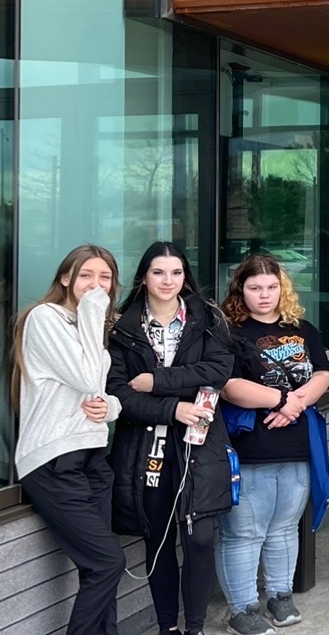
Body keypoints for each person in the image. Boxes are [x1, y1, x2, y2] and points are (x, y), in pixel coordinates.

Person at [107, 242, 234, 635]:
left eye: (176, 272)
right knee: (158, 541)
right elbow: (121, 395)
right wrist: (173, 408)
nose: (168, 280)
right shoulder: (122, 328)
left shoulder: (207, 318)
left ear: (185, 277)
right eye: (159, 272)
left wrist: (157, 381)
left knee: (199, 540)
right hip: (146, 449)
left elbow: (217, 370)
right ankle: (168, 627)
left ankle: (194, 627)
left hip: (200, 445)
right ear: (143, 276)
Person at [12, 245, 125, 635]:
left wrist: (111, 408)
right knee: (108, 563)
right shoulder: (46, 318)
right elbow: (87, 379)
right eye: (86, 276)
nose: (96, 286)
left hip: (92, 456)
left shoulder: (87, 323)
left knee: (99, 570)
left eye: (105, 278)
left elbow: (100, 395)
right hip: (54, 459)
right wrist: (96, 309)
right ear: (65, 279)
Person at [219, 252, 329, 635]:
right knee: (244, 532)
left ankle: (281, 595)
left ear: (281, 288)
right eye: (254, 288)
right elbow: (230, 385)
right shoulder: (231, 332)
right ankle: (242, 607)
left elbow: (322, 373)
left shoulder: (304, 329)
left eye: (271, 287)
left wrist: (296, 403)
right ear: (241, 289)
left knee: (285, 528)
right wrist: (282, 401)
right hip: (250, 449)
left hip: (297, 446)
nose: (264, 295)